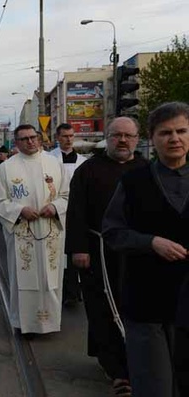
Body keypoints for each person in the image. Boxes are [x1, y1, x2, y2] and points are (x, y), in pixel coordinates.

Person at [103, 102, 189, 397]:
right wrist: (150, 242)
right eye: (165, 132)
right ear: (152, 138)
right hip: (146, 303)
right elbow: (112, 232)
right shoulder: (134, 182)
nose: (174, 138)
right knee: (155, 386)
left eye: (181, 131)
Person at [65, 117, 147, 396]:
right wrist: (79, 249)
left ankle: (134, 363)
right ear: (107, 139)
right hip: (98, 250)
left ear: (137, 139)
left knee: (133, 310)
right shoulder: (89, 170)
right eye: (116, 136)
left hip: (137, 254)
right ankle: (118, 371)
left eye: (128, 136)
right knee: (103, 310)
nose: (122, 141)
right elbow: (75, 212)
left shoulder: (147, 169)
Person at [0, 124, 69, 335]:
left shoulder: (54, 164)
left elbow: (66, 196)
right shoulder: (7, 167)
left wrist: (55, 207)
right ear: (17, 143)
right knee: (24, 279)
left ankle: (50, 322)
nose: (30, 141)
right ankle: (24, 324)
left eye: (33, 137)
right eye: (24, 139)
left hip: (50, 230)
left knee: (50, 278)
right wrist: (20, 210)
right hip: (22, 233)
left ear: (39, 138)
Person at [51, 123, 88, 308]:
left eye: (71, 136)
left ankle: (74, 292)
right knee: (57, 253)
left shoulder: (83, 162)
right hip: (56, 212)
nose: (68, 139)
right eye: (65, 136)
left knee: (74, 250)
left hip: (77, 213)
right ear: (58, 138)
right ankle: (58, 290)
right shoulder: (49, 160)